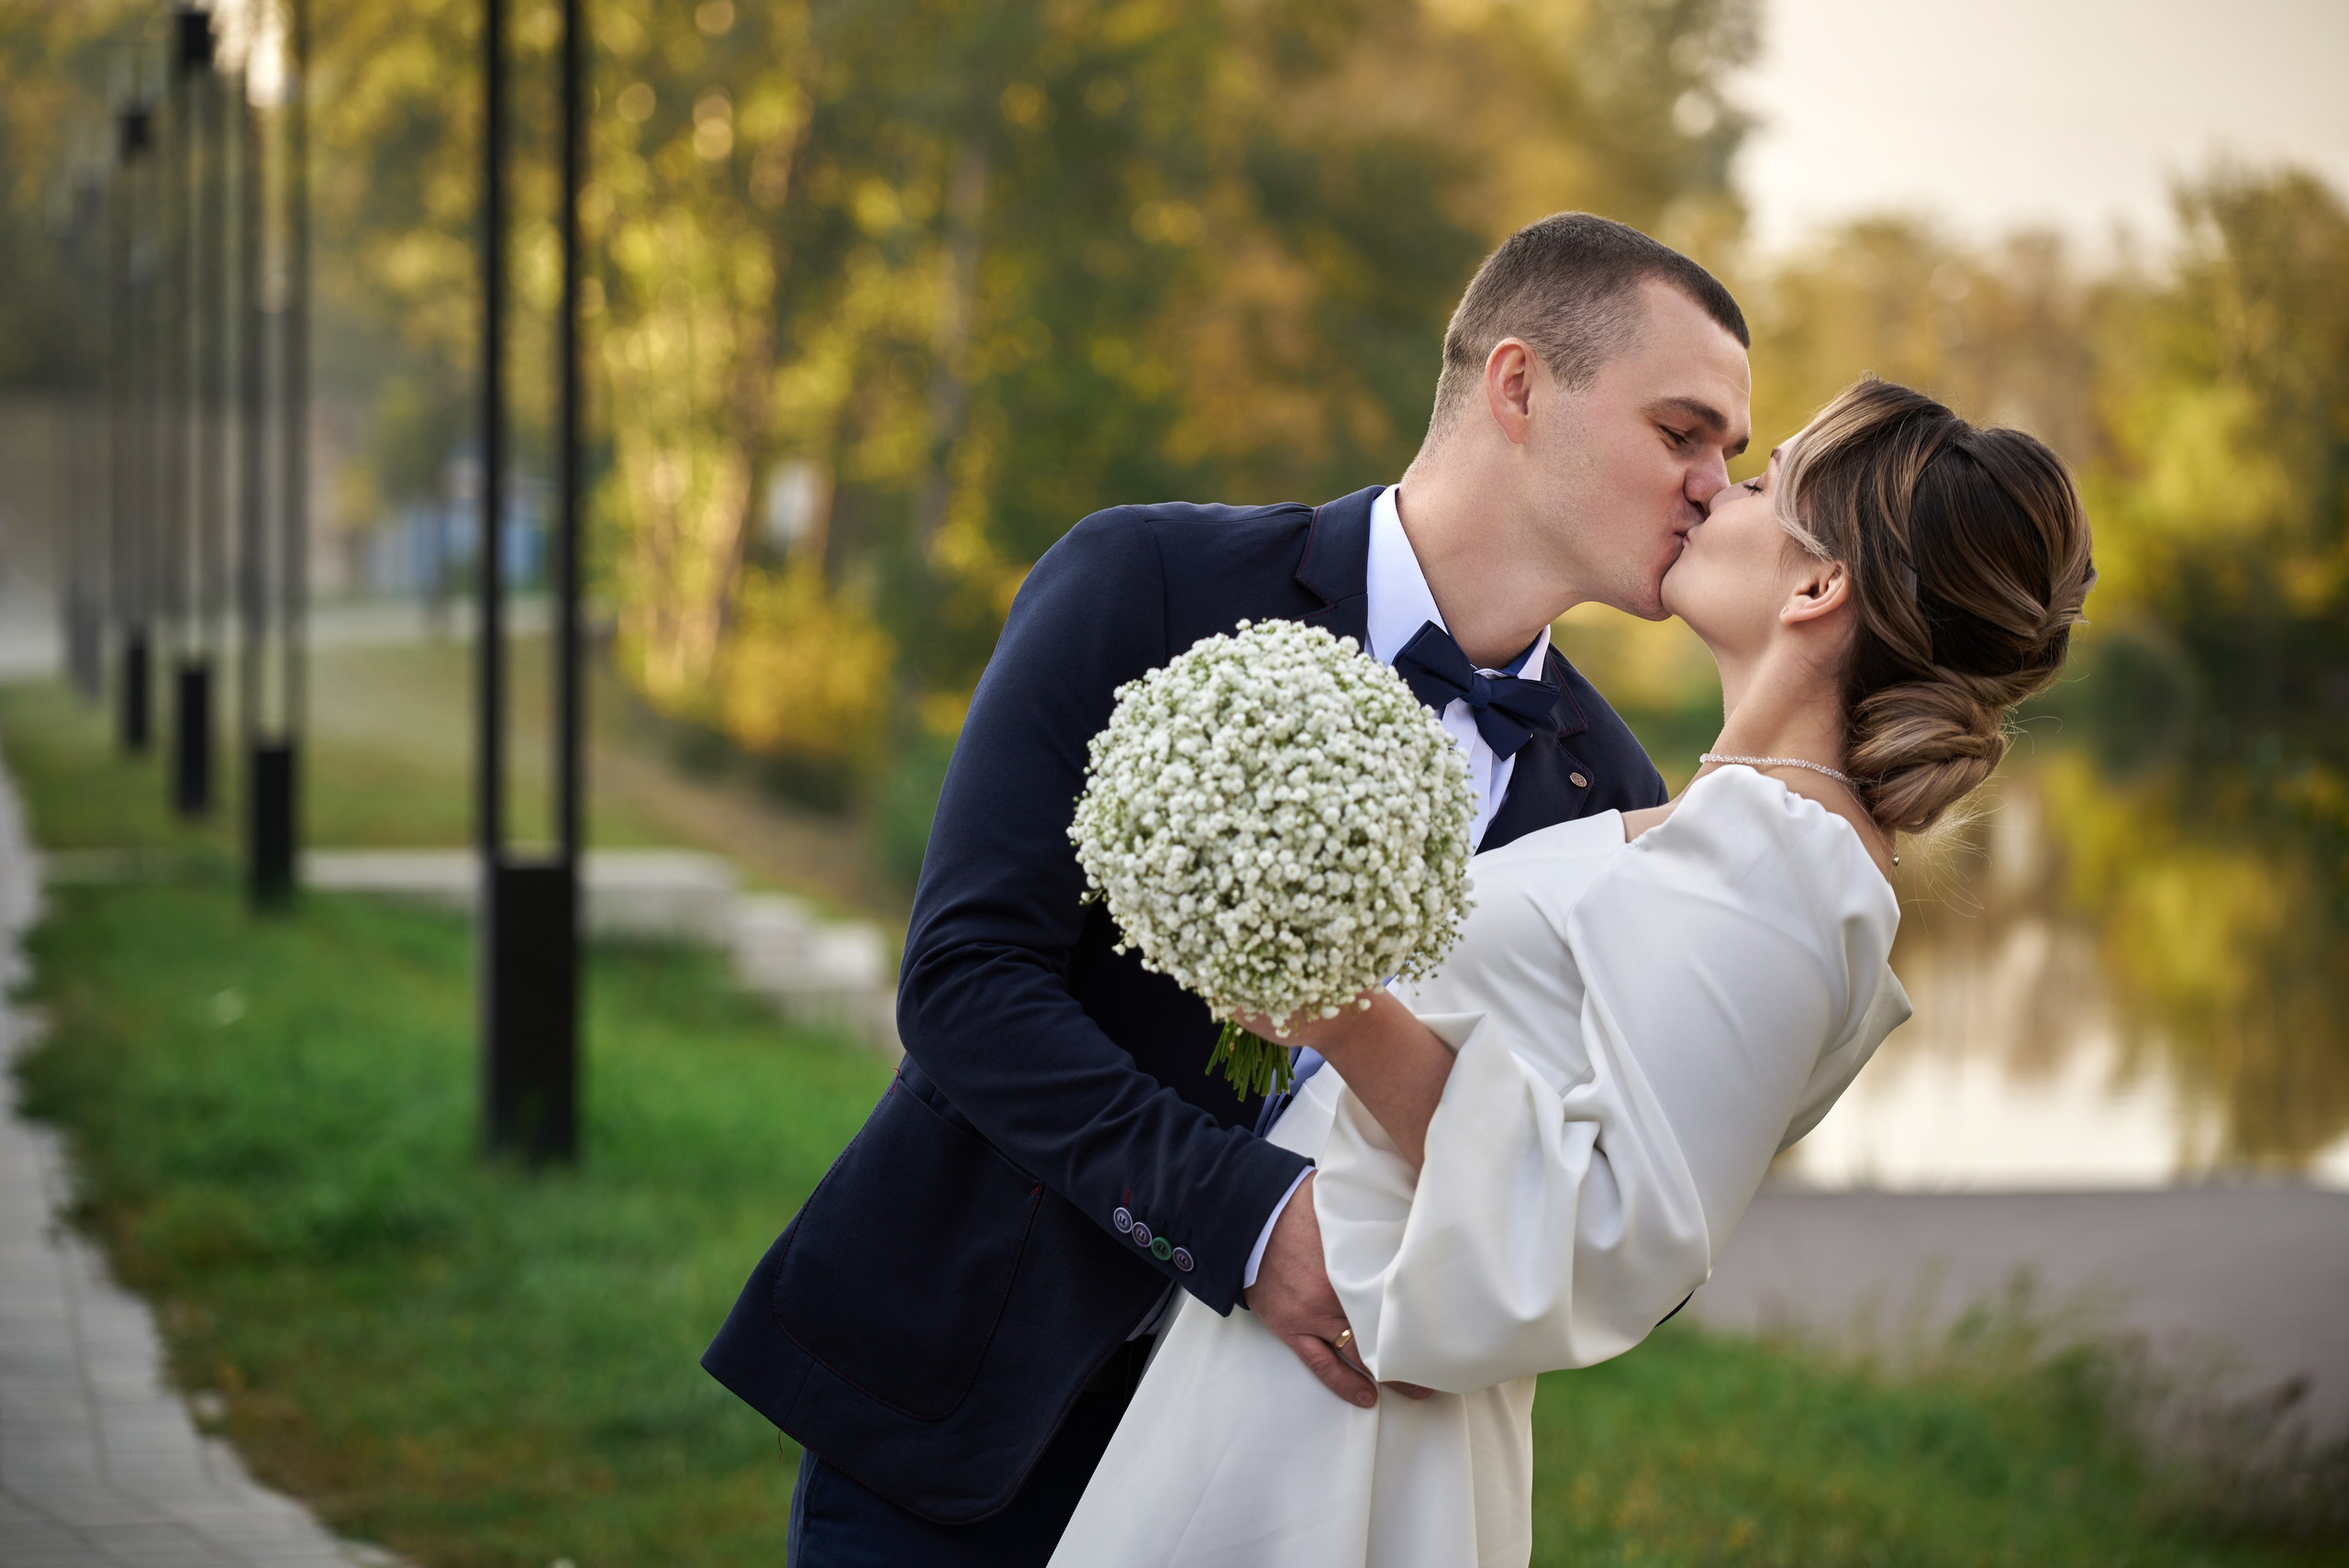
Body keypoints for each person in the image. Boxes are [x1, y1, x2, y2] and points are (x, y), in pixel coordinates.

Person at [700, 212, 1755, 1565]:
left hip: (1293, 1489)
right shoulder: (1148, 580)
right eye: (1685, 432)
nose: (1715, 488)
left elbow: (1605, 1208)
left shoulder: (1610, 799)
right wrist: (1243, 1221)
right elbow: (965, 984)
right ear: (1517, 384)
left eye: (1730, 452)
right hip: (966, 1420)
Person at [1047, 375, 2098, 1567]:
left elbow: (1609, 1231)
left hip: (1345, 1409)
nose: (1715, 488)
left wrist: (1336, 1011)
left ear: (1818, 585)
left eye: (1761, 482)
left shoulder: (1784, 868)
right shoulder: (1745, 831)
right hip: (1320, 1345)